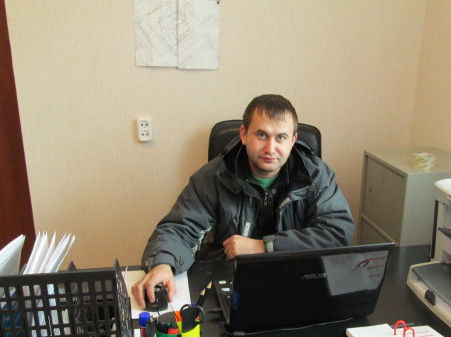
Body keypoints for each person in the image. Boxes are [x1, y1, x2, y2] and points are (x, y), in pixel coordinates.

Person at [131, 94, 354, 308]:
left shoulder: (316, 175)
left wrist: (264, 246)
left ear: (293, 140)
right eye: (261, 135)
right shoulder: (213, 177)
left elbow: (338, 232)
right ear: (244, 134)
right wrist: (163, 264)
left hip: (297, 282)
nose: (271, 148)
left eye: (281, 137)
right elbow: (180, 228)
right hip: (228, 281)